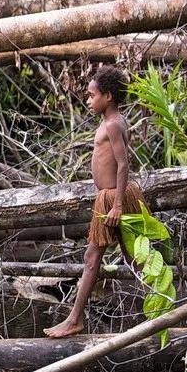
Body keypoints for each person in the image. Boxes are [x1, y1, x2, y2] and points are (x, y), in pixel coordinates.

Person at [44, 65, 146, 338]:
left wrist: (118, 205)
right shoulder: (113, 121)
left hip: (114, 198)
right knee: (135, 258)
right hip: (111, 198)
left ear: (108, 96)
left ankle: (75, 320)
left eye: (92, 95)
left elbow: (124, 165)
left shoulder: (113, 125)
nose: (88, 100)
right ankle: (164, 312)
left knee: (96, 258)